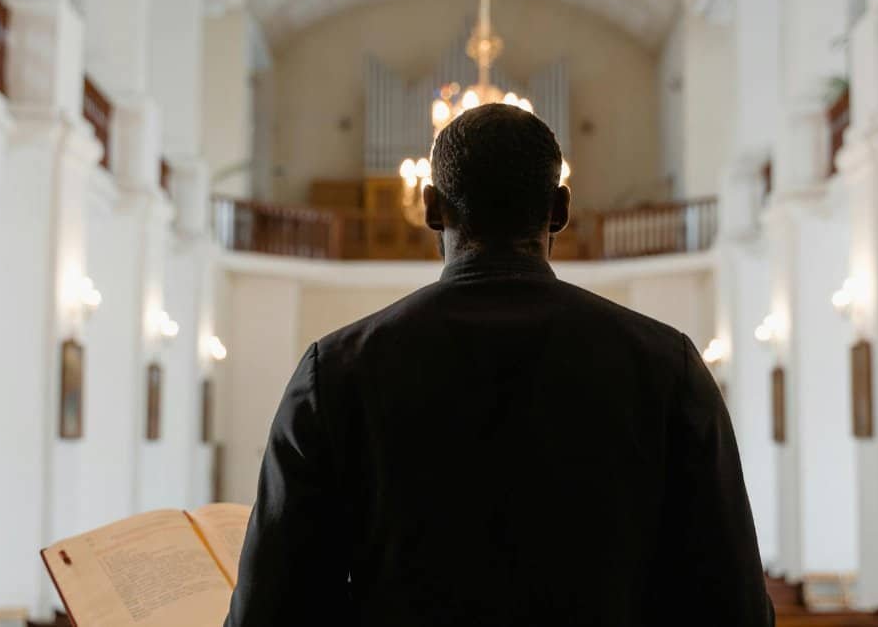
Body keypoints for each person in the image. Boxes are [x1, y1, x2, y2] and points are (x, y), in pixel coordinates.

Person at [225, 104, 774, 626]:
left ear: (432, 207)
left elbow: (270, 613)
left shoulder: (335, 373)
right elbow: (734, 607)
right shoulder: (667, 365)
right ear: (559, 210)